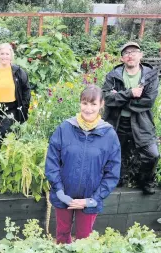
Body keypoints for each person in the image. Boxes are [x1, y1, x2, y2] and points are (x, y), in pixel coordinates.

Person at [46, 85, 121, 244]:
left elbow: (112, 173)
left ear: (101, 105)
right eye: (85, 103)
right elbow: (52, 162)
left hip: (90, 199)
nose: (88, 109)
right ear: (80, 103)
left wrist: (93, 200)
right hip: (64, 196)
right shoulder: (65, 128)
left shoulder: (109, 135)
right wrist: (59, 192)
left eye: (93, 104)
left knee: (83, 240)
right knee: (62, 237)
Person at [101, 41, 160, 195]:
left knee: (152, 154)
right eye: (126, 53)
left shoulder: (150, 76)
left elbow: (148, 101)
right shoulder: (113, 76)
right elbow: (106, 98)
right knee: (115, 154)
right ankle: (117, 180)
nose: (130, 55)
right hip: (116, 122)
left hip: (141, 123)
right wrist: (129, 93)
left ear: (141, 55)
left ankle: (145, 180)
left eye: (134, 51)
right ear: (122, 58)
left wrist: (119, 100)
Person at [0, 42, 31, 143]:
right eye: (2, 54)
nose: (4, 56)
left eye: (7, 54)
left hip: (12, 109)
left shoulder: (18, 72)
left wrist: (23, 108)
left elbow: (26, 90)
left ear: (11, 56)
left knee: (1, 134)